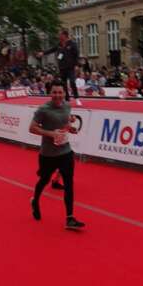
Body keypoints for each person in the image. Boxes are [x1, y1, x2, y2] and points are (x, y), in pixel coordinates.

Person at [29, 80, 85, 230]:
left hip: (65, 152)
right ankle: (35, 201)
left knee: (69, 183)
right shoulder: (43, 109)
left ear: (64, 93)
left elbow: (65, 124)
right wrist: (50, 134)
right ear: (50, 93)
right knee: (44, 180)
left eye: (60, 92)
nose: (57, 95)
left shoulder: (67, 106)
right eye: (54, 92)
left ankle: (70, 218)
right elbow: (32, 128)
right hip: (48, 154)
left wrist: (70, 128)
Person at [37, 30, 83, 106]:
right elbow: (51, 49)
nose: (58, 36)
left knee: (72, 82)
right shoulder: (59, 44)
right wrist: (43, 53)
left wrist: (76, 65)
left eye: (60, 35)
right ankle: (67, 99)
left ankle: (77, 98)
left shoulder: (72, 44)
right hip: (62, 67)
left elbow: (76, 55)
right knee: (64, 84)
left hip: (71, 67)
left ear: (65, 36)